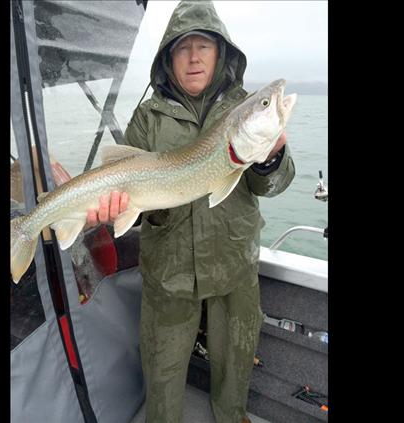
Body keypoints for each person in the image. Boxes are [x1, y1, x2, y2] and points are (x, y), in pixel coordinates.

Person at [87, 1, 295, 422]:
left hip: (235, 268)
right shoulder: (147, 118)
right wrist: (117, 210)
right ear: (168, 58)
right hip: (168, 274)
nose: (195, 57)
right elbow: (136, 203)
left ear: (221, 53)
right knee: (162, 384)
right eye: (183, 48)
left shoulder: (240, 109)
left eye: (205, 46)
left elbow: (271, 184)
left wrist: (271, 156)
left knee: (234, 378)